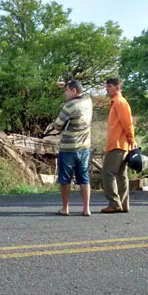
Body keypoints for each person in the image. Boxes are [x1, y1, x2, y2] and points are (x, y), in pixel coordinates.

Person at [53, 80, 93, 216]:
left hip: (68, 148)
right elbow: (83, 92)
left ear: (73, 91)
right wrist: (66, 85)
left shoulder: (69, 106)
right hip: (84, 147)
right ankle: (86, 208)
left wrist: (63, 125)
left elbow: (57, 125)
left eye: (67, 90)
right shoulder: (88, 101)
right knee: (84, 178)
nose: (65, 93)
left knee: (65, 180)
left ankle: (65, 208)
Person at [101, 78, 136, 213]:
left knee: (107, 173)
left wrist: (131, 139)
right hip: (120, 144)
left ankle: (115, 203)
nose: (106, 88)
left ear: (117, 87)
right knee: (121, 174)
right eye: (106, 86)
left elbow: (128, 123)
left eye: (109, 86)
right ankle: (123, 204)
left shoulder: (120, 102)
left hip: (117, 144)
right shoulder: (116, 102)